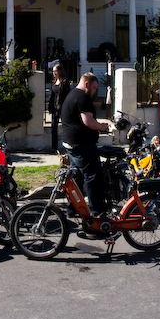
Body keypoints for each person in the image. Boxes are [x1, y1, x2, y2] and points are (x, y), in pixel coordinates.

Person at [60, 72, 111, 217]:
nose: (94, 92)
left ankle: (73, 209)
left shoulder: (71, 95)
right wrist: (102, 127)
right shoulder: (83, 97)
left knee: (77, 177)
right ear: (87, 84)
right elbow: (88, 121)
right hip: (82, 145)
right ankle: (97, 212)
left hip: (71, 143)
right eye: (93, 88)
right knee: (94, 177)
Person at [47, 63, 70, 150]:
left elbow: (68, 95)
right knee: (53, 127)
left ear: (60, 71)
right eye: (53, 71)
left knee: (65, 127)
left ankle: (68, 145)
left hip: (62, 108)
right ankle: (54, 147)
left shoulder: (64, 82)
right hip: (54, 107)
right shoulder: (55, 82)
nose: (54, 73)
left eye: (55, 71)